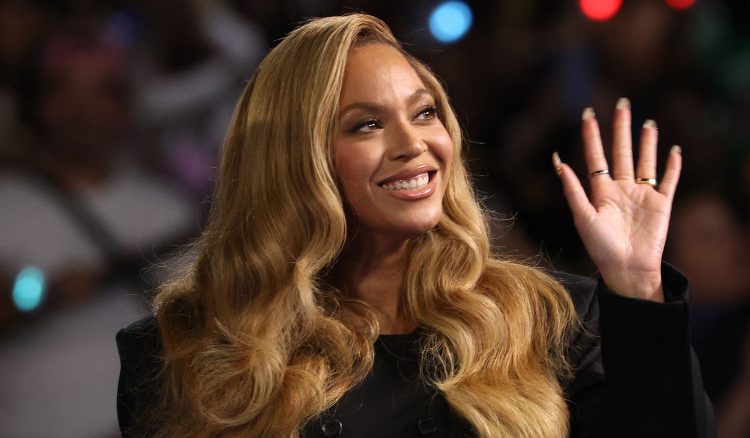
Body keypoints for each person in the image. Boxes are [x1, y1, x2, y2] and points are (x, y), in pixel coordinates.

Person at [116, 14, 714, 437]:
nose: (414, 145)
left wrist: (637, 289)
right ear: (294, 160)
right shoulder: (181, 350)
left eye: (424, 112)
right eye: (366, 125)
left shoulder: (555, 322)